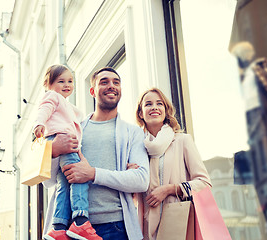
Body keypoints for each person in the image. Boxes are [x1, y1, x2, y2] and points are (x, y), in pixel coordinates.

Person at [42, 67, 150, 240]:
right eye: (104, 82)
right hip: (72, 229)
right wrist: (54, 151)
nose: (111, 86)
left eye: (116, 82)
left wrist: (92, 174)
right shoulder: (74, 129)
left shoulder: (133, 133)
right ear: (92, 91)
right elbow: (49, 182)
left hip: (116, 226)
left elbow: (141, 180)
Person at [33, 64, 102, 240]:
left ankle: (58, 227)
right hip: (61, 139)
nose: (67, 85)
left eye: (70, 81)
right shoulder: (52, 96)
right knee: (78, 177)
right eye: (61, 81)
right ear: (48, 84)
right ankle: (80, 221)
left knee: (64, 183)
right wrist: (39, 123)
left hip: (60, 139)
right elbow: (44, 108)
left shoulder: (66, 104)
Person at [135, 87, 212, 240]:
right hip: (145, 227)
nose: (154, 107)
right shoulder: (136, 147)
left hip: (178, 222)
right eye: (148, 104)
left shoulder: (182, 141)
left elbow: (204, 183)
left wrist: (170, 189)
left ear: (165, 110)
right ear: (140, 113)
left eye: (159, 104)